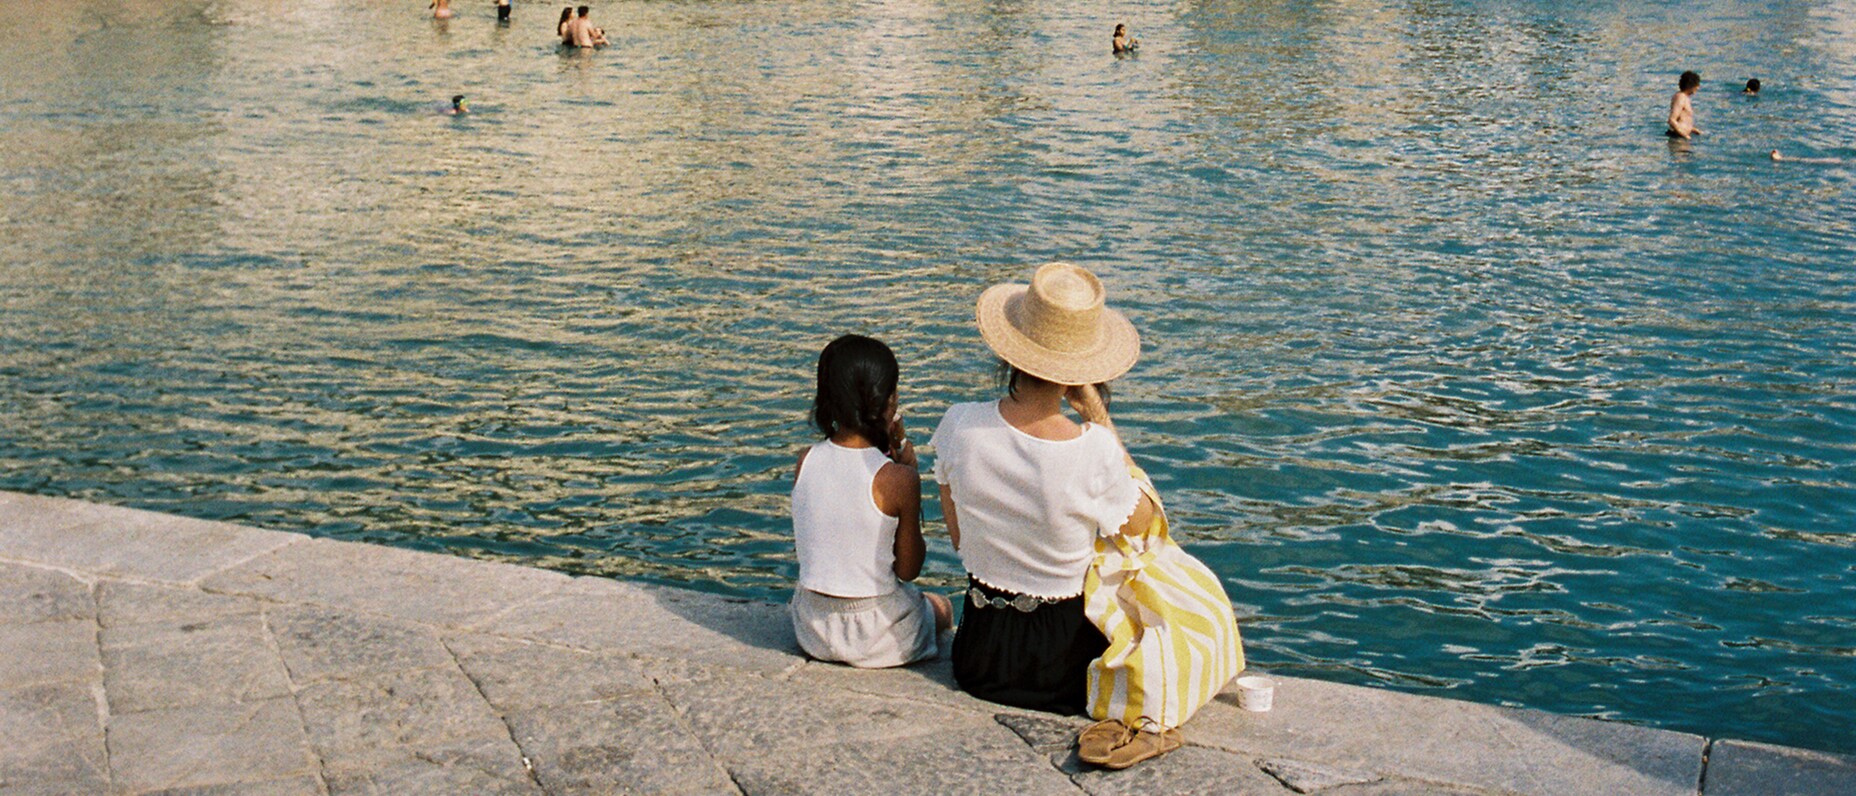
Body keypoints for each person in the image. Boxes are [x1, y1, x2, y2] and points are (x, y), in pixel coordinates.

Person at [930, 262, 1153, 714]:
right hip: (1062, 669)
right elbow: (1145, 523)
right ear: (1081, 372)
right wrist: (1099, 418)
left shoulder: (959, 425)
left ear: (1009, 354)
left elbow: (958, 538)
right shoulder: (1093, 449)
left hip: (978, 657)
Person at [789, 335, 952, 669]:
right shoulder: (898, 479)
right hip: (875, 634)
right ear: (889, 402)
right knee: (943, 608)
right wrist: (908, 470)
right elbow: (909, 568)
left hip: (811, 627)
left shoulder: (805, 460)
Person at [1668, 71, 1702, 140]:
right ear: (1691, 86)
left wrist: (1692, 129)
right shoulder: (1680, 97)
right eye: (1697, 85)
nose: (1698, 88)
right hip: (1678, 137)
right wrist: (1684, 135)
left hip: (1682, 137)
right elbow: (1672, 120)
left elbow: (1682, 120)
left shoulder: (1685, 98)